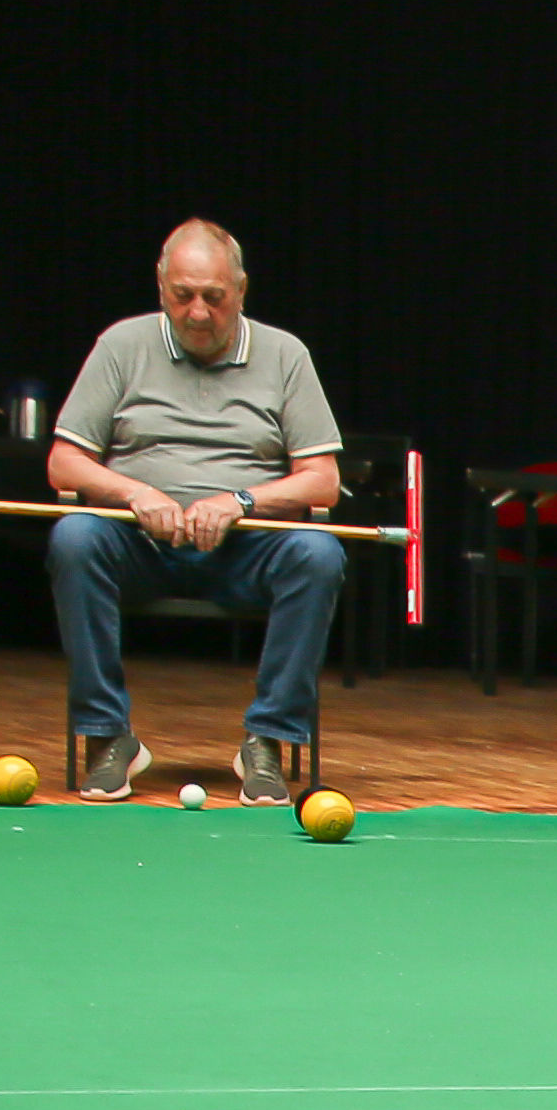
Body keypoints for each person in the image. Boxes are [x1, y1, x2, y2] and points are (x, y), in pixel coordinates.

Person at [45, 220, 346, 802]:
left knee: (318, 553)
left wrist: (240, 502)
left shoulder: (285, 355)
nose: (199, 312)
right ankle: (109, 739)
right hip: (139, 545)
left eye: (215, 296)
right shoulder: (121, 346)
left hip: (246, 549)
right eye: (184, 296)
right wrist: (136, 493)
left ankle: (268, 739)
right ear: (161, 289)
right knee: (74, 538)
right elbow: (64, 464)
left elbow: (324, 481)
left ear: (241, 290)